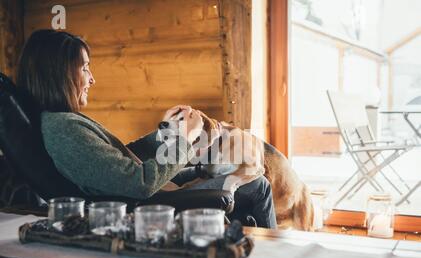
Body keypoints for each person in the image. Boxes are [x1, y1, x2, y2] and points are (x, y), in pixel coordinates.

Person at [17, 29, 277, 229]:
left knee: (243, 179)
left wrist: (167, 132)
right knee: (259, 185)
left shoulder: (63, 122)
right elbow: (139, 183)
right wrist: (184, 141)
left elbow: (119, 158)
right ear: (59, 74)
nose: (92, 78)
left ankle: (241, 241)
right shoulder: (63, 129)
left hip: (149, 193)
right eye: (85, 68)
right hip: (148, 203)